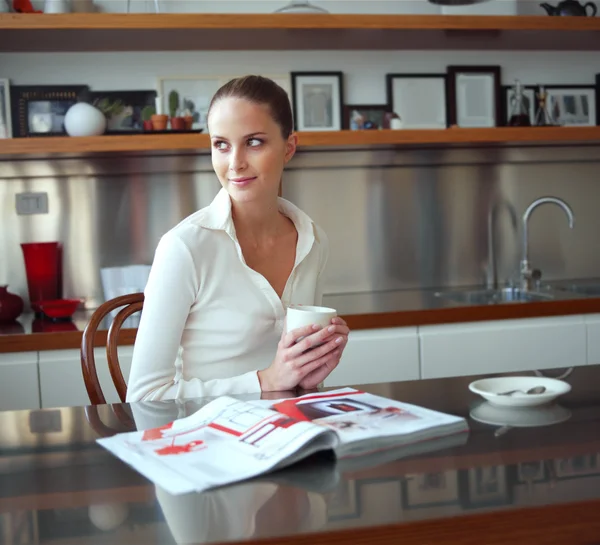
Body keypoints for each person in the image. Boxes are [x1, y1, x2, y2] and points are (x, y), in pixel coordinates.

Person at [126, 75, 350, 402]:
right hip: (208, 442)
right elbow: (144, 396)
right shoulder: (185, 248)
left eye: (254, 142)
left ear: (289, 148)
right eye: (221, 145)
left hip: (287, 435)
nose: (235, 163)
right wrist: (266, 380)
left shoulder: (313, 240)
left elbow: (291, 381)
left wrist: (311, 366)